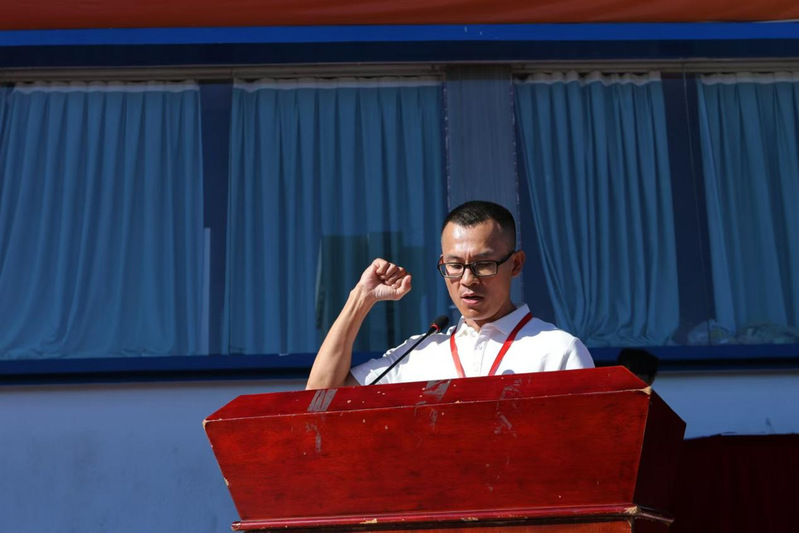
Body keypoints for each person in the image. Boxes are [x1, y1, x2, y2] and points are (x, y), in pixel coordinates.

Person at [306, 201, 593, 390]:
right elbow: (320, 395)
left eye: (483, 264)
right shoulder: (419, 352)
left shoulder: (558, 351)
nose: (467, 280)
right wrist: (360, 298)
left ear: (516, 264)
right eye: (455, 266)